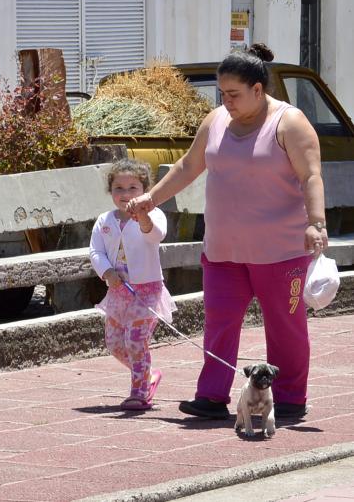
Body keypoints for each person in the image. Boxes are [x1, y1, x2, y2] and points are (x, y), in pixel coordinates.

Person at [128, 43, 328, 421]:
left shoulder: (290, 122)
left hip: (280, 251)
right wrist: (150, 200)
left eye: (234, 94)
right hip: (223, 250)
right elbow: (189, 166)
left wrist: (316, 223)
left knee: (285, 328)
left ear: (258, 89)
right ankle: (212, 395)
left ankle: (290, 398)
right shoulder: (215, 120)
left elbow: (311, 176)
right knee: (219, 324)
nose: (227, 101)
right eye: (222, 93)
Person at [90, 158, 175, 411]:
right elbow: (96, 251)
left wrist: (143, 217)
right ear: (111, 191)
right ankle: (147, 374)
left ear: (144, 190)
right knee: (115, 344)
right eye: (119, 188)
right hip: (118, 292)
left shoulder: (154, 214)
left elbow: (155, 235)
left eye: (132, 188)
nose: (125, 194)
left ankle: (139, 391)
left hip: (146, 292)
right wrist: (107, 272)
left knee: (136, 341)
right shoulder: (105, 220)